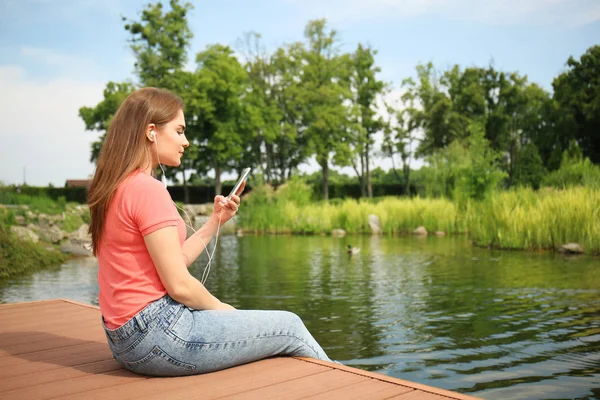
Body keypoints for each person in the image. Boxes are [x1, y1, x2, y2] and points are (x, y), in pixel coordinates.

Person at [87, 87, 332, 376]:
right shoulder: (146, 189)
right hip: (158, 336)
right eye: (179, 131)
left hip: (124, 341)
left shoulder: (115, 187)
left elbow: (172, 262)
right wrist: (225, 310)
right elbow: (179, 286)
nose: (186, 142)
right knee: (290, 326)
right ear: (151, 131)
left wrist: (216, 221)